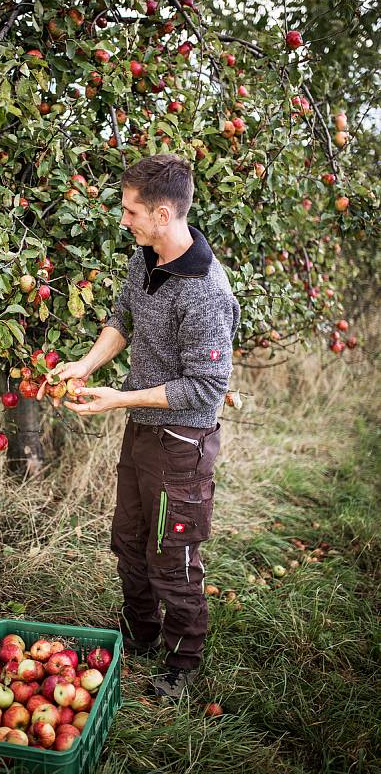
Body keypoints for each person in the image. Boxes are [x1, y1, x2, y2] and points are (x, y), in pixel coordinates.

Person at [38, 153, 241, 700]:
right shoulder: (145, 257)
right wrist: (85, 365)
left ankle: (182, 660)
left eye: (131, 211)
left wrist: (118, 399)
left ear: (163, 212)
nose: (124, 219)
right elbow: (122, 319)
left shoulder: (204, 292)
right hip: (143, 428)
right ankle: (141, 633)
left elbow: (205, 387)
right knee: (129, 541)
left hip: (182, 441)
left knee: (171, 553)